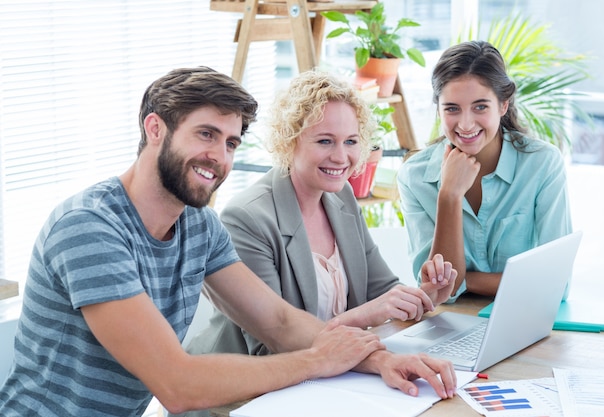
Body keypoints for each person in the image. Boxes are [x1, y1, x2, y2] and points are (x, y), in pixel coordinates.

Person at [0, 67, 457, 417]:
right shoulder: (90, 229)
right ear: (154, 129)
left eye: (232, 143)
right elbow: (176, 384)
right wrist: (319, 360)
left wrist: (379, 361)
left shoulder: (199, 225)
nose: (219, 157)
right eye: (205, 134)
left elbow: (277, 321)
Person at [182, 70, 457, 364]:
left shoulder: (341, 197)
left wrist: (421, 296)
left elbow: (381, 290)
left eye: (351, 141)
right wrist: (365, 314)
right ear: (290, 141)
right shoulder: (247, 218)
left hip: (327, 376)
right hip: (241, 392)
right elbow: (272, 345)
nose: (341, 157)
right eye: (325, 141)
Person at [397, 40, 573, 303]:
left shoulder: (542, 164)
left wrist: (464, 281)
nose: (466, 124)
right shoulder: (414, 176)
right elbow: (435, 289)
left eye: (480, 107)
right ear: (439, 110)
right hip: (448, 323)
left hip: (524, 319)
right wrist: (449, 195)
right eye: (452, 108)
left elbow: (556, 283)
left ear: (503, 105)